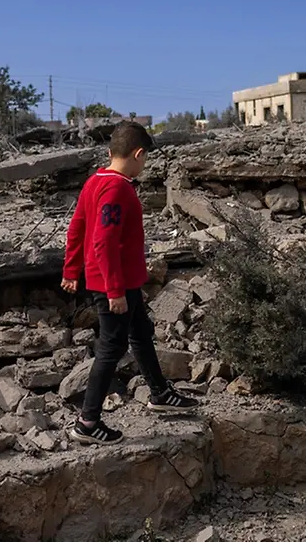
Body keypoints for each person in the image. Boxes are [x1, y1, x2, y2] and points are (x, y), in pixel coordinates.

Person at [61, 121, 200, 445]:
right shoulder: (118, 188)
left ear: (111, 152)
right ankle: (88, 422)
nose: (144, 163)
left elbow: (77, 228)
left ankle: (160, 393)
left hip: (123, 281)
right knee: (111, 348)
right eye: (145, 158)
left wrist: (71, 270)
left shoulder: (95, 181)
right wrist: (114, 291)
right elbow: (103, 242)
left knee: (141, 333)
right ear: (138, 154)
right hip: (115, 283)